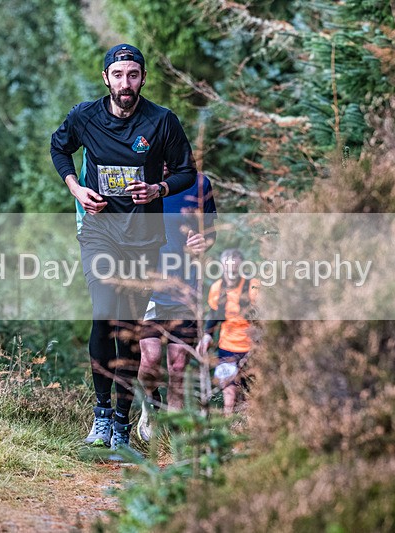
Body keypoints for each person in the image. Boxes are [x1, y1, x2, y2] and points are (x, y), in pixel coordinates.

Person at [50, 44, 197, 458]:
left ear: (143, 78)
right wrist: (76, 189)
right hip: (100, 232)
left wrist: (158, 189)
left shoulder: (162, 121)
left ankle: (121, 421)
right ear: (106, 78)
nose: (125, 83)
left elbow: (187, 170)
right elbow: (59, 147)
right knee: (103, 314)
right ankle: (100, 415)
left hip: (144, 239)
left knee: (129, 329)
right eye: (118, 75)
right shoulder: (85, 116)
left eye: (133, 74)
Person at [136, 168, 217, 441]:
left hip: (185, 289)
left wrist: (204, 241)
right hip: (149, 288)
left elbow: (211, 230)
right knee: (149, 361)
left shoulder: (199, 183)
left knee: (178, 367)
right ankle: (149, 403)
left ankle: (175, 437)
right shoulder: (140, 178)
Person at [197, 248, 259, 415]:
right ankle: (229, 433)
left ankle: (248, 431)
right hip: (226, 348)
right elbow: (214, 314)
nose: (231, 272)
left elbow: (260, 318)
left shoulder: (252, 286)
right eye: (227, 268)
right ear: (222, 267)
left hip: (249, 350)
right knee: (229, 397)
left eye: (234, 268)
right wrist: (207, 335)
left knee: (249, 396)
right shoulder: (217, 288)